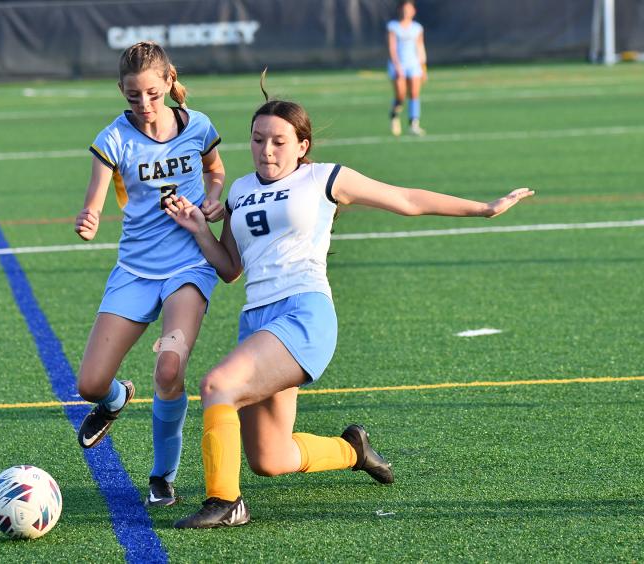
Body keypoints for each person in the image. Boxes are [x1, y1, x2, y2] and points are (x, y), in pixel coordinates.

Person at [164, 76, 534, 528]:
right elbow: (230, 268)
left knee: (217, 385)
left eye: (279, 141)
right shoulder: (240, 191)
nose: (266, 150)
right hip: (257, 321)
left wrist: (484, 208)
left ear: (302, 145)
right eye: (258, 140)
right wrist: (199, 230)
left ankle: (226, 503)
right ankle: (352, 450)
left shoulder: (324, 177)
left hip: (303, 314)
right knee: (271, 459)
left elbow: (405, 199)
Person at [73, 41, 226, 508]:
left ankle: (163, 475)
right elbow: (95, 197)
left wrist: (212, 198)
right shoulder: (114, 139)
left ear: (169, 81)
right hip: (135, 271)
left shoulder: (198, 125)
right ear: (121, 91)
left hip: (188, 267)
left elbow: (215, 171)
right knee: (89, 385)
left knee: (169, 366)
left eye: (153, 94)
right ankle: (116, 399)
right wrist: (90, 216)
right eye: (133, 95)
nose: (144, 104)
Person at [387, 0, 428, 136]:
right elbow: (392, 48)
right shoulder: (393, 26)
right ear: (400, 10)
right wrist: (397, 65)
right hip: (398, 65)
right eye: (404, 9)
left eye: (409, 9)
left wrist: (423, 67)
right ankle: (394, 115)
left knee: (414, 93)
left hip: (414, 64)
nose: (406, 12)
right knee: (400, 95)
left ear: (413, 11)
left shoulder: (417, 28)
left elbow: (420, 47)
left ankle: (413, 124)